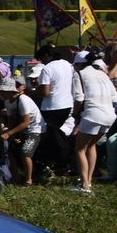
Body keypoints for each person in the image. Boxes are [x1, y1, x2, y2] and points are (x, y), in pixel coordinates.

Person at [71, 58, 116, 194]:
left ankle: (84, 185)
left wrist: (75, 114)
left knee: (80, 149)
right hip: (109, 116)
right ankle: (88, 181)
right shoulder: (103, 74)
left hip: (92, 114)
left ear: (79, 64)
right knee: (91, 146)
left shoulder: (79, 74)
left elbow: (79, 98)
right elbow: (115, 98)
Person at [37, 44, 76, 176]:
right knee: (58, 133)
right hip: (68, 104)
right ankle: (62, 159)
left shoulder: (47, 68)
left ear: (48, 55)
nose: (42, 62)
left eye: (42, 59)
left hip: (51, 106)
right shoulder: (68, 65)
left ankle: (62, 159)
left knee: (50, 136)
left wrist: (36, 90)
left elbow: (45, 92)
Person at [0, 78, 42, 186]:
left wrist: (9, 133)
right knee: (10, 151)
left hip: (34, 130)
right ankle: (15, 178)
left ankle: (28, 180)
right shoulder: (7, 102)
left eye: (2, 91)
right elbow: (11, 120)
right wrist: (8, 131)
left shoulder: (23, 100)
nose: (0, 93)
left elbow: (26, 122)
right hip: (21, 130)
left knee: (25, 151)